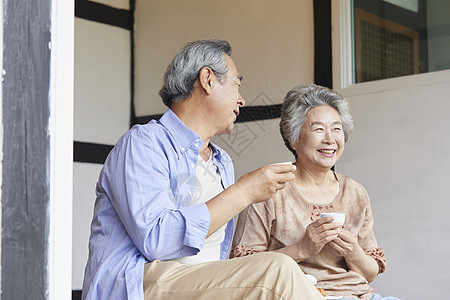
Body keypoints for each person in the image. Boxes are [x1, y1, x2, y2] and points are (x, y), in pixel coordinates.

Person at [81, 40, 324, 300]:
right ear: (207, 79)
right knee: (278, 271)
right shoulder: (143, 143)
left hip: (202, 283)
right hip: (140, 284)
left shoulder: (222, 162)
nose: (241, 100)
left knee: (300, 281)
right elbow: (157, 241)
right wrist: (243, 192)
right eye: (236, 85)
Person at [231, 84, 399, 300]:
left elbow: (369, 274)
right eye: (318, 129)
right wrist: (302, 248)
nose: (330, 139)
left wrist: (352, 251)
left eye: (336, 129)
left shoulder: (355, 192)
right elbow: (244, 270)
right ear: (293, 138)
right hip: (301, 294)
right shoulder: (269, 190)